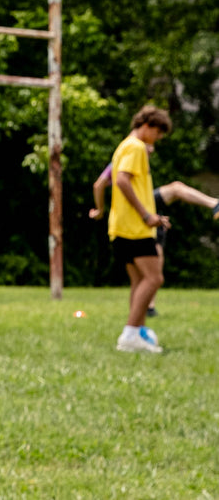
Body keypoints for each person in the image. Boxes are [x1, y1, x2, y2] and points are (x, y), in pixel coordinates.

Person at [89, 147, 217, 317]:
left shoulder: (134, 155)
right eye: (149, 144)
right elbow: (100, 184)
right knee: (175, 188)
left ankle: (146, 309)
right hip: (137, 208)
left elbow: (100, 185)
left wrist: (100, 210)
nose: (152, 148)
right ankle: (214, 203)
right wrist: (100, 211)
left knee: (154, 255)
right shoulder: (128, 155)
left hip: (141, 211)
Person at [103, 105, 172, 353]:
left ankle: (138, 333)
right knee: (154, 278)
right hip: (135, 226)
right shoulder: (135, 147)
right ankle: (130, 334)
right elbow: (121, 180)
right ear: (147, 126)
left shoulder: (123, 145)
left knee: (139, 280)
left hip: (120, 225)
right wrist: (146, 215)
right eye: (158, 133)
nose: (158, 138)